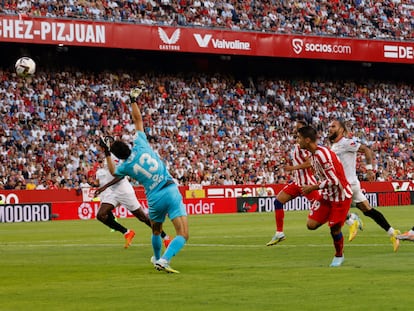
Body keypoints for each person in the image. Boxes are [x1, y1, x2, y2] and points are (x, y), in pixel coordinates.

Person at [102, 85, 189, 274]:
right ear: (128, 145)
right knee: (183, 234)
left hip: (154, 199)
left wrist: (106, 152)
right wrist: (133, 100)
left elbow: (112, 170)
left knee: (156, 230)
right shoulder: (141, 144)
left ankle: (157, 257)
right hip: (169, 190)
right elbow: (138, 119)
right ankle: (164, 260)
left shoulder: (124, 166)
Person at [328, 119, 400, 252]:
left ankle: (351, 219)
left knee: (327, 206)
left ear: (342, 130)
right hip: (352, 184)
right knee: (368, 210)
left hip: (346, 185)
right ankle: (392, 233)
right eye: (330, 126)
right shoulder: (334, 147)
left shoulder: (346, 142)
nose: (330, 128)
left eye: (334, 126)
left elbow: (366, 150)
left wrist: (369, 169)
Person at [297, 125, 352, 267]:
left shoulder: (322, 155)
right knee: (311, 225)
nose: (298, 141)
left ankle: (339, 255)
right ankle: (347, 217)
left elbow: (334, 181)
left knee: (334, 229)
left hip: (340, 196)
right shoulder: (313, 154)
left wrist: (312, 187)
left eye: (299, 138)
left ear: (307, 140)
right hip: (328, 195)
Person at [93, 158, 171, 249]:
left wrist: (104, 187)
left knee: (143, 218)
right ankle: (126, 232)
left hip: (125, 192)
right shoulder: (105, 160)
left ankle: (166, 237)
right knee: (100, 215)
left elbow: (120, 176)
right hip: (112, 192)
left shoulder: (115, 157)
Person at [267, 120, 321, 246]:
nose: (294, 129)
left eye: (297, 128)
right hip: (297, 182)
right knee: (278, 201)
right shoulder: (298, 145)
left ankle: (349, 219)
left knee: (323, 208)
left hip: (307, 184)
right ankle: (279, 233)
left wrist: (292, 168)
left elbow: (310, 163)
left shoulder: (304, 147)